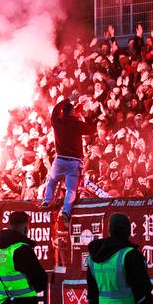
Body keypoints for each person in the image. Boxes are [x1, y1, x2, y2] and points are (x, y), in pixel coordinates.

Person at [42, 92, 97, 221]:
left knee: (52, 182)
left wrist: (68, 99)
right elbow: (92, 129)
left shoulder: (57, 122)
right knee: (71, 189)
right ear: (72, 112)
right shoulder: (77, 125)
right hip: (74, 163)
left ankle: (46, 201)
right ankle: (66, 211)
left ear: (63, 112)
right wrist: (84, 116)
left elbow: (55, 110)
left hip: (59, 160)